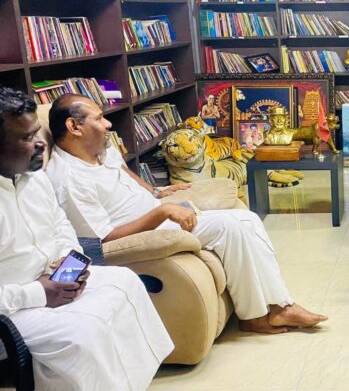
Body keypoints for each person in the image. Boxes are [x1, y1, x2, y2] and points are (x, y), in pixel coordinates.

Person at [44, 95, 327, 335]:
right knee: (231, 227)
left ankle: (278, 306)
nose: (108, 124)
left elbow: (123, 172)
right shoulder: (68, 179)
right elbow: (102, 240)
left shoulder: (99, 149)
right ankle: (260, 315)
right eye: (99, 118)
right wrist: (162, 212)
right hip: (144, 234)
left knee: (248, 219)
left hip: (158, 214)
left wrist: (156, 192)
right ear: (74, 127)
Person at [0, 87, 173, 390]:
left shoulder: (34, 179)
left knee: (125, 282)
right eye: (27, 138)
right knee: (85, 331)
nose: (41, 143)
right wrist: (38, 292)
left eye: (37, 132)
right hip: (15, 309)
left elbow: (61, 226)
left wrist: (69, 264)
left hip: (54, 283)